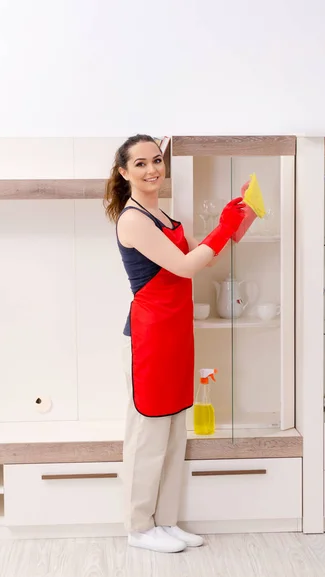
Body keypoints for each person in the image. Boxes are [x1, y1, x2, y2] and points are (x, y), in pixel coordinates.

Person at [104, 134, 246, 553]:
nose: (152, 170)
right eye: (142, 164)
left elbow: (202, 258)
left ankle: (163, 522)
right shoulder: (132, 220)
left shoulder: (161, 214)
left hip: (176, 331)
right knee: (148, 434)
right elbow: (186, 266)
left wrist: (229, 221)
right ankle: (138, 527)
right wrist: (222, 229)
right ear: (124, 172)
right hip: (151, 335)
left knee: (172, 434)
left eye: (157, 161)